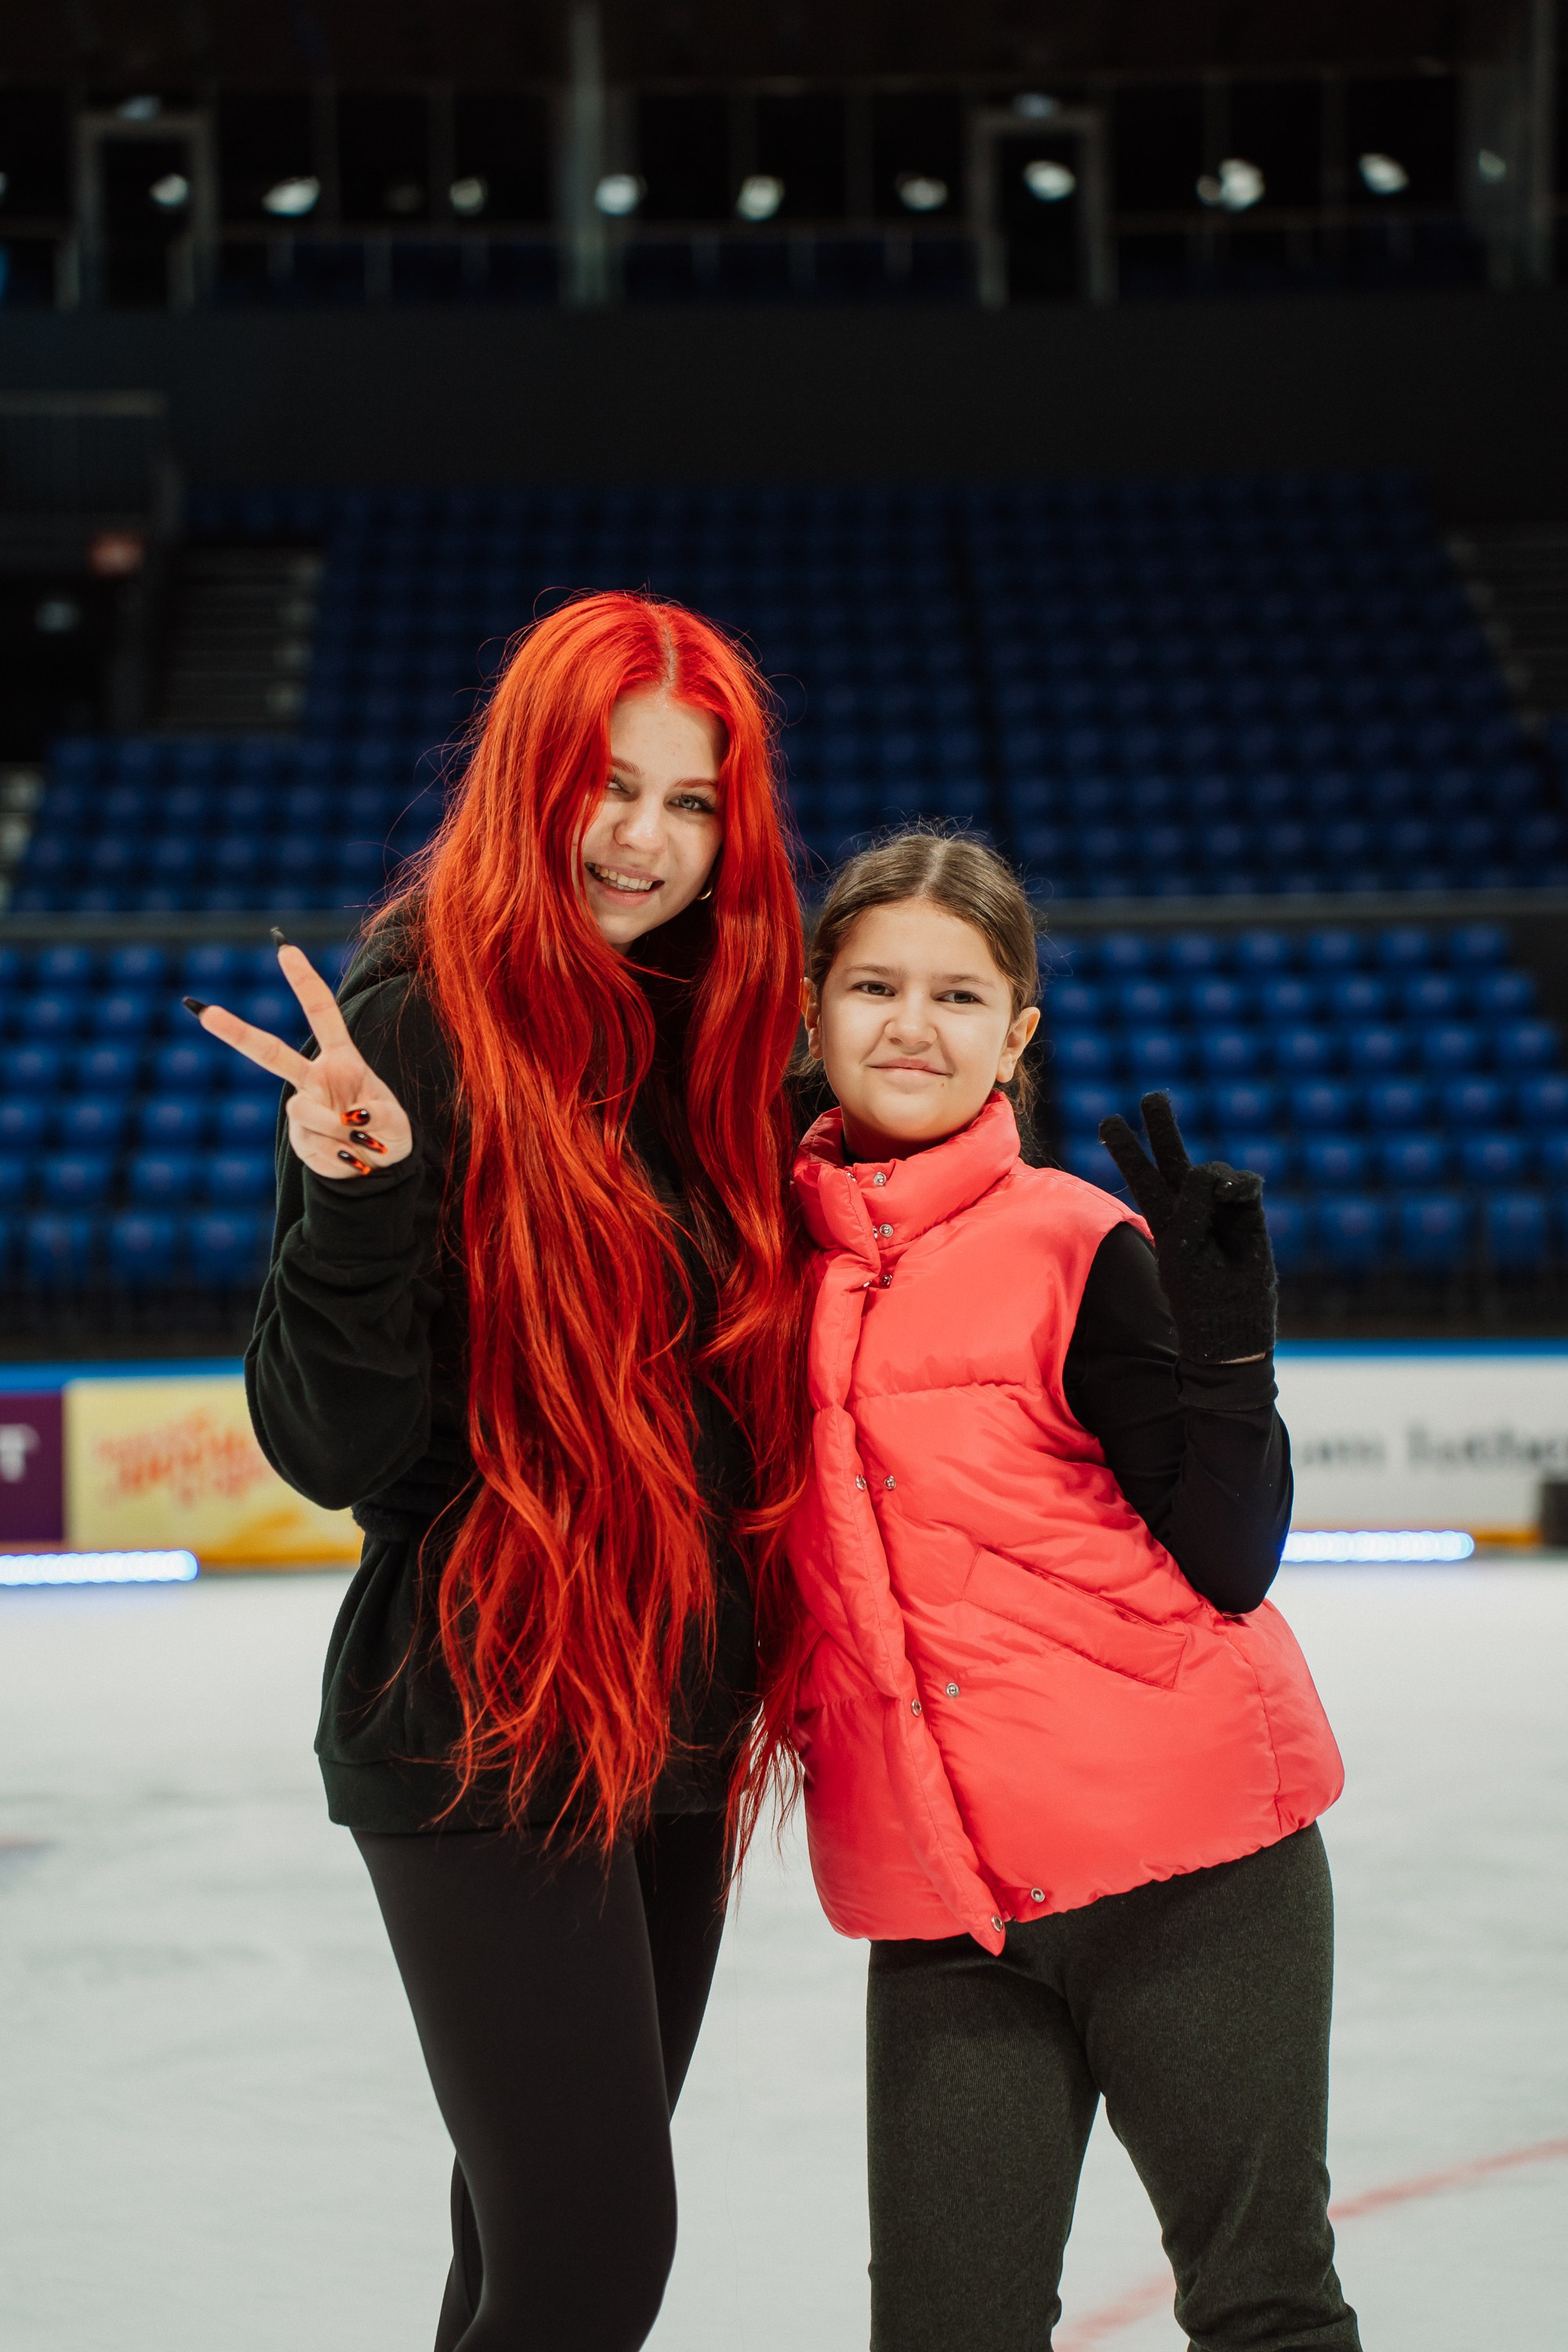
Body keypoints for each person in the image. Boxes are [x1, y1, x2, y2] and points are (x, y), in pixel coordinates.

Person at [183, 593, 810, 2352]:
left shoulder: (720, 1033)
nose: (642, 838)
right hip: (480, 1704)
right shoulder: (420, 1019)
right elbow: (333, 1451)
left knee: (527, 2261)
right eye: (608, 786)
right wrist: (355, 1199)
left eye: (691, 805)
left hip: (671, 1705)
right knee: (595, 2256)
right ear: (532, 778)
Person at [784, 829, 1359, 2352]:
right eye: (874, 986)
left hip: (1193, 1871)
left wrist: (1228, 1351)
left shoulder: (1073, 1241)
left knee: (1260, 2306)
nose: (914, 1024)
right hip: (946, 1904)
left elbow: (1229, 1561)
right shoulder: (763, 1265)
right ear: (813, 1010)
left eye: (959, 996)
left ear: (1015, 1036)